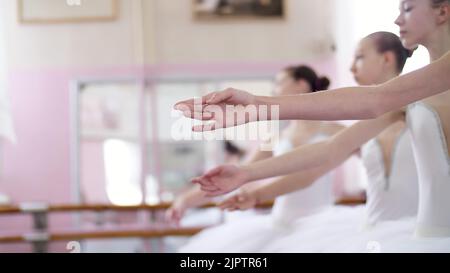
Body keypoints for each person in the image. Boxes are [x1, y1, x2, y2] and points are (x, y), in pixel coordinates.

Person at [193, 0, 450, 243]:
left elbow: (374, 99)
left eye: (407, 8)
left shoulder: (398, 94)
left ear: (443, 11)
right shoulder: (409, 94)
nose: (397, 19)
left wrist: (260, 106)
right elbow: (330, 150)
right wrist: (248, 174)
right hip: (424, 234)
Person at [219, 32, 420, 252]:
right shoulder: (359, 127)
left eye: (359, 57)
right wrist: (253, 187)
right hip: (372, 235)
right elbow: (315, 167)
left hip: (415, 234)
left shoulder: (421, 110)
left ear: (387, 59)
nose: (351, 67)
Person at [172, 65, 343, 252]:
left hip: (324, 228)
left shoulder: (337, 132)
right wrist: (186, 200)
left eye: (279, 83)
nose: (274, 89)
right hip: (282, 225)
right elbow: (236, 175)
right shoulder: (276, 138)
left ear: (301, 85)